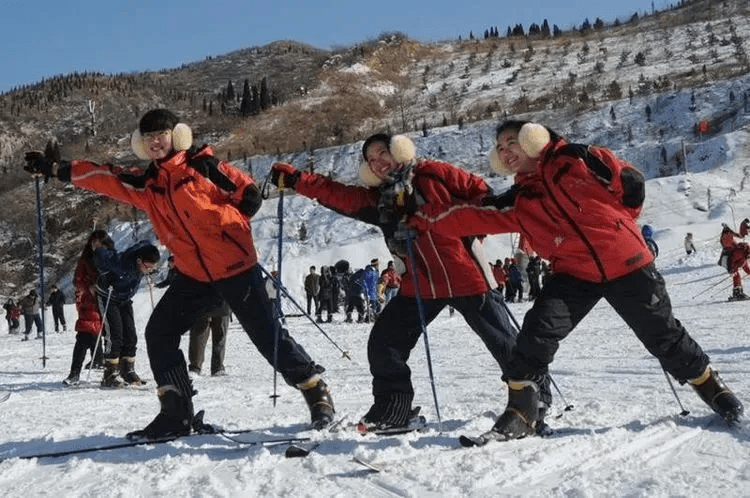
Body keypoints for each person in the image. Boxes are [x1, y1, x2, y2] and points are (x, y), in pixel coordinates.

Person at [409, 119, 743, 441]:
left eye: (512, 140)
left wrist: (620, 225)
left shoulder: (577, 160)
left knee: (664, 336)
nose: (505, 149)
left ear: (533, 137)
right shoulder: (520, 199)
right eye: (499, 147)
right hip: (575, 273)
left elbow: (631, 183)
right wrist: (419, 220)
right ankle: (523, 411)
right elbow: (468, 217)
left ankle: (712, 387)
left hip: (627, 262)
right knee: (536, 332)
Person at [24, 108, 335, 438]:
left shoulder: (202, 167)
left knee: (266, 335)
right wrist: (57, 169)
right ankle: (177, 414)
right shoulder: (149, 185)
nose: (155, 142)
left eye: (161, 135)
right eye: (147, 138)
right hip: (195, 275)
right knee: (159, 333)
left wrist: (226, 220)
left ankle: (316, 393)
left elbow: (249, 195)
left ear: (177, 136)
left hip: (234, 268)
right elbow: (106, 177)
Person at [270, 132, 520, 432]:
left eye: (381, 153)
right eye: (371, 160)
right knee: (384, 343)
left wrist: (453, 224)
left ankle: (530, 403)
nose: (377, 163)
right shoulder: (381, 200)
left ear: (399, 149)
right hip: (420, 285)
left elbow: (484, 196)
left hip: (467, 277)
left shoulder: (434, 173)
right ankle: (394, 410)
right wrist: (298, 179)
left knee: (506, 345)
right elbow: (340, 195)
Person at [93, 239, 160, 388]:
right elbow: (100, 253)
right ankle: (110, 374)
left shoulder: (141, 259)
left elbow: (144, 242)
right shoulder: (121, 262)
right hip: (108, 297)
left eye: (152, 267)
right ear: (138, 261)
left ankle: (127, 371)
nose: (149, 270)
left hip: (124, 299)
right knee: (115, 334)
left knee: (131, 334)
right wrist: (101, 266)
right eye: (147, 267)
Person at [63, 229, 111, 386]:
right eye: (94, 242)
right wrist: (89, 286)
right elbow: (77, 281)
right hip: (89, 303)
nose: (96, 245)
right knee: (83, 337)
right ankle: (74, 373)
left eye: (100, 242)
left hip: (107, 302)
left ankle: (106, 366)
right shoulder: (84, 260)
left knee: (104, 336)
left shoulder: (111, 259)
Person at [188, 299, 230, 376]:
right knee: (199, 333)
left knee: (220, 332)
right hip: (201, 295)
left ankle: (218, 367)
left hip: (223, 296)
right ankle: (195, 367)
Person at [719, 223, 750, 300]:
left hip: (733, 263)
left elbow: (745, 267)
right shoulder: (741, 253)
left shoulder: (745, 255)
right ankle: (737, 293)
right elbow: (732, 261)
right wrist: (733, 270)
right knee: (737, 276)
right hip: (729, 262)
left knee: (738, 277)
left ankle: (739, 292)